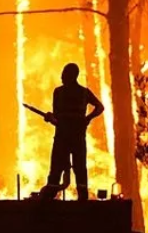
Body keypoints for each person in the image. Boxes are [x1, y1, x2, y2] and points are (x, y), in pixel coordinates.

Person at [41, 63, 104, 201]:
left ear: (71, 75)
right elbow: (99, 107)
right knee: (79, 168)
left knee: (57, 169)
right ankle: (82, 199)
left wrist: (51, 118)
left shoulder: (59, 92)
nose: (61, 76)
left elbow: (57, 117)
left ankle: (48, 200)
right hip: (76, 137)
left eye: (64, 73)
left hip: (63, 137)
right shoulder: (83, 92)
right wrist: (88, 118)